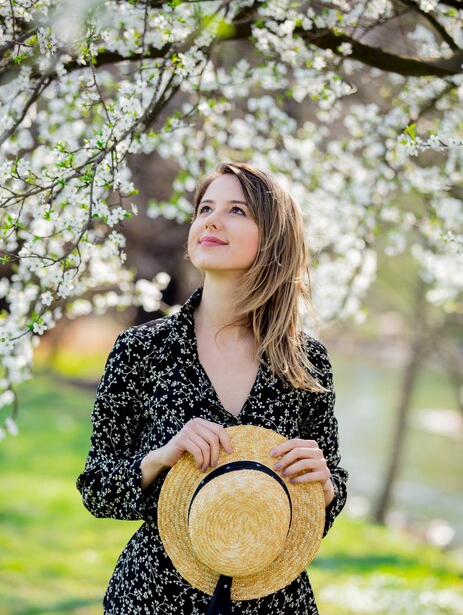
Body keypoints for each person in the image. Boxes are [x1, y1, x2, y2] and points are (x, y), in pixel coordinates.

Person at [77, 162, 348, 615]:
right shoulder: (141, 350)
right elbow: (97, 487)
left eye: (236, 210)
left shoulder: (306, 362)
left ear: (274, 237)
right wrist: (162, 457)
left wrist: (325, 487)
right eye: (205, 207)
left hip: (274, 601)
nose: (212, 220)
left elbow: (328, 493)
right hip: (152, 598)